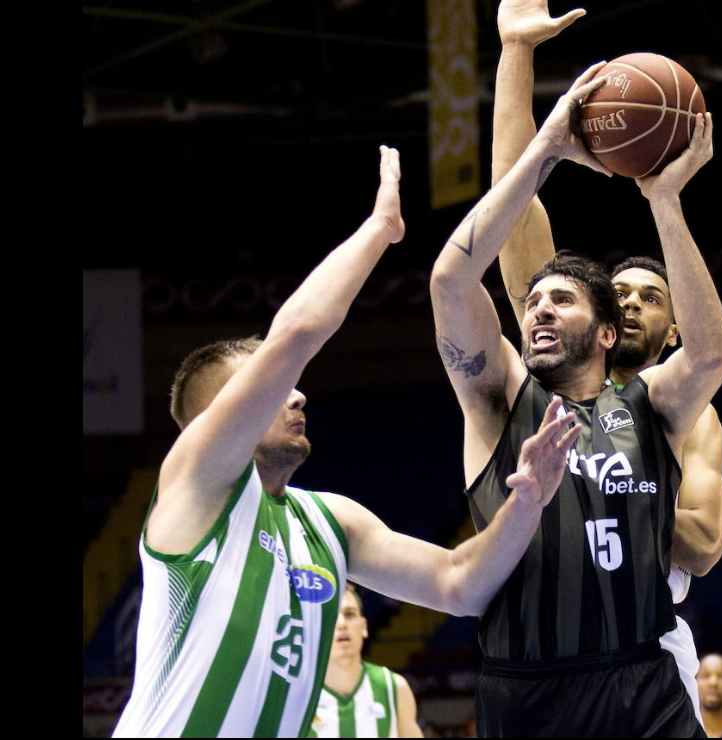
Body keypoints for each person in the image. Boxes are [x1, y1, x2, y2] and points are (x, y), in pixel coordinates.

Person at [113, 146, 583, 738]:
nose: (298, 396)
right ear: (218, 416)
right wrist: (381, 229)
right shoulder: (195, 486)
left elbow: (459, 583)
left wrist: (528, 500)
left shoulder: (328, 521)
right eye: (275, 387)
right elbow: (299, 332)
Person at [429, 30, 722, 740]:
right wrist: (515, 57)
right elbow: (502, 226)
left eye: (647, 296)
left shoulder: (668, 408)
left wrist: (623, 501)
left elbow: (706, 544)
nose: (627, 303)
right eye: (615, 292)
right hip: (534, 675)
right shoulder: (514, 386)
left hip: (645, 651)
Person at [312, 585, 423, 738]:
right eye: (333, 616)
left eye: (349, 614)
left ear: (363, 626)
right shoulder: (300, 691)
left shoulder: (394, 687)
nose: (342, 624)